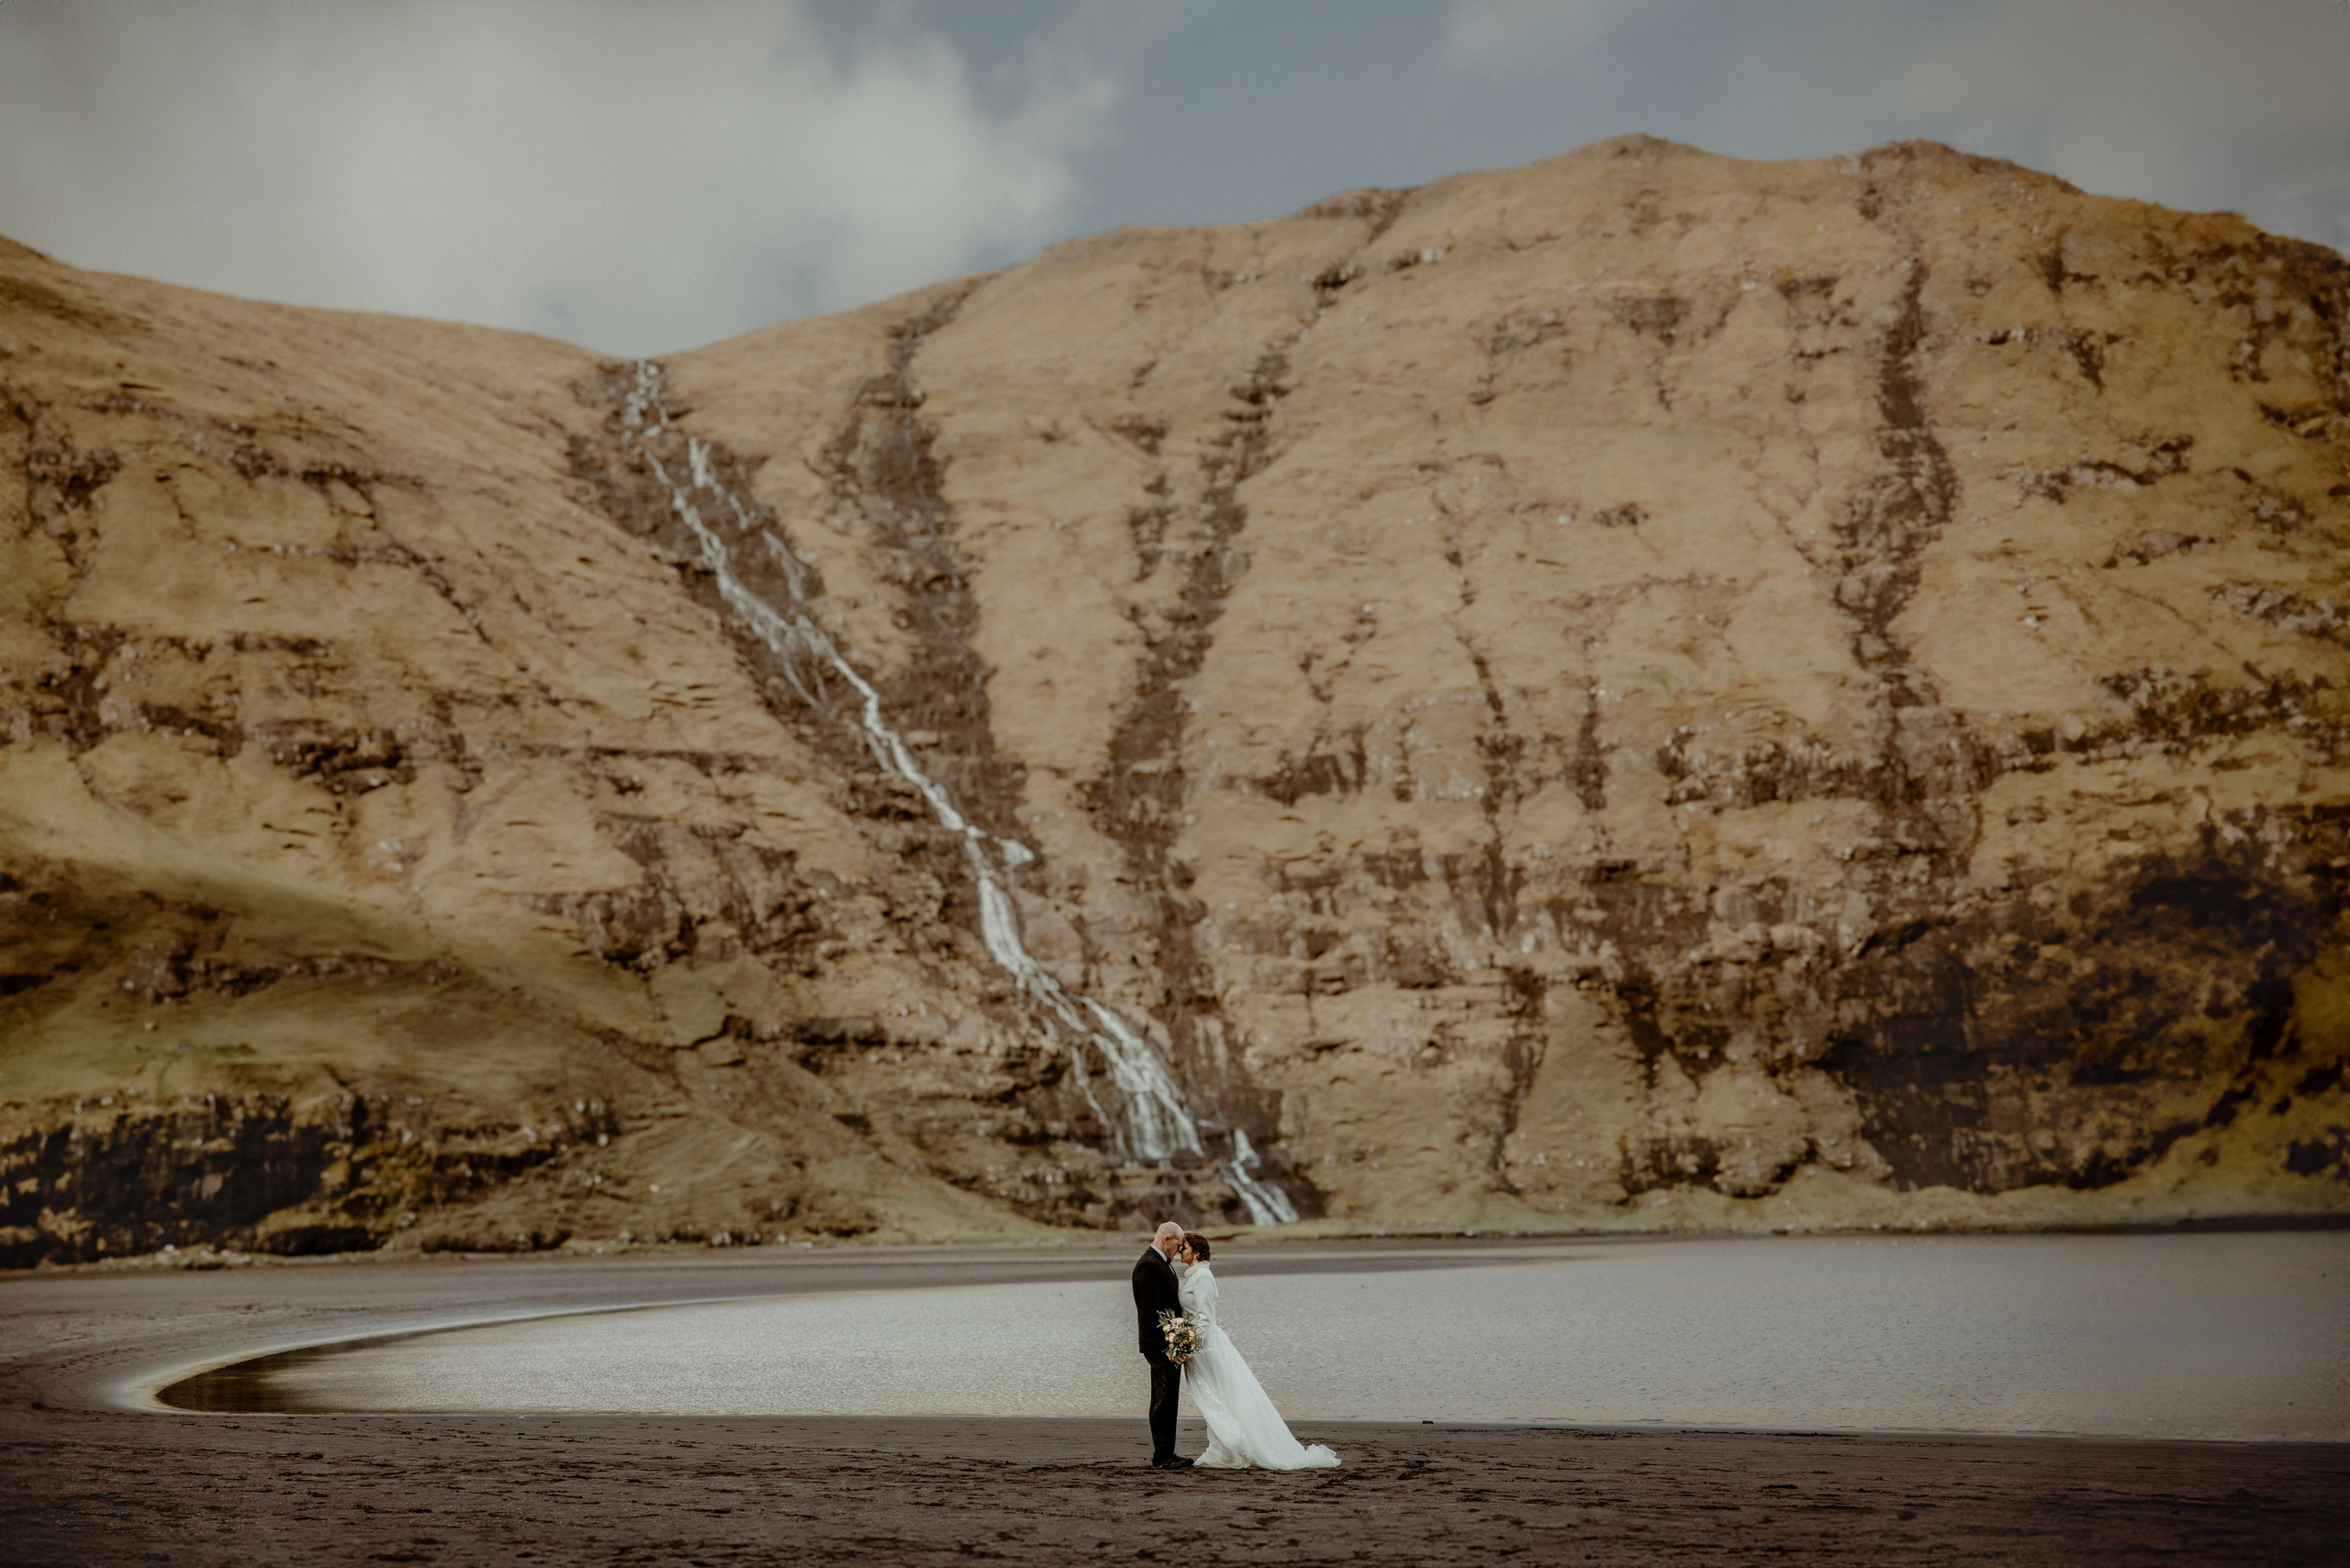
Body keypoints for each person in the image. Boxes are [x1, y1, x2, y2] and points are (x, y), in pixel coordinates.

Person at [1176, 1233, 1339, 1470]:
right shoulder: (1195, 1276)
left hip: (1205, 1347)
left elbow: (1205, 1319)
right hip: (1200, 1347)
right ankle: (1224, 1446)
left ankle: (1237, 1445)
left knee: (1221, 1395)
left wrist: (1189, 1346)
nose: (1181, 1251)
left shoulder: (1203, 1277)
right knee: (1215, 1395)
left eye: (1185, 1247)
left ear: (1197, 1253)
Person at [1132, 1220, 1191, 1469]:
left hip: (1166, 1343)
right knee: (1163, 1397)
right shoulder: (1148, 1266)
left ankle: (1167, 1452)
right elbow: (1150, 1312)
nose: (1178, 1252)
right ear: (1166, 1239)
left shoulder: (1160, 1264)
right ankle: (1162, 1456)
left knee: (1167, 1396)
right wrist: (1167, 1346)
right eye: (1177, 1246)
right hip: (1159, 1345)